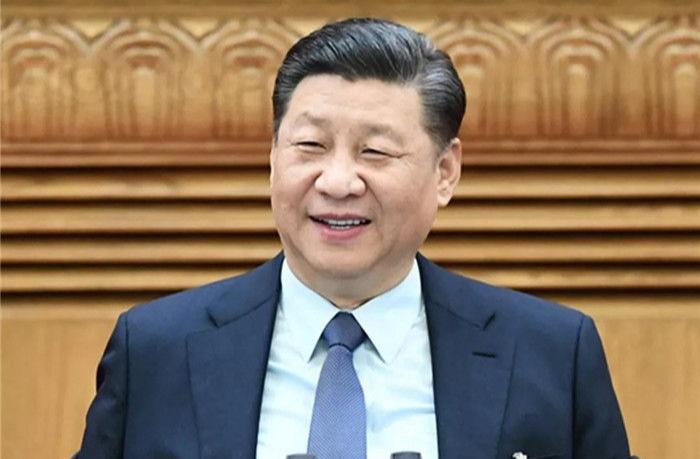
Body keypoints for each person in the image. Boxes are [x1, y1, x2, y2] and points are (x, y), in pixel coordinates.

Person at [76, 18, 632, 459]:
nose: (338, 182)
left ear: (445, 172)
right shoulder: (154, 352)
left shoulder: (552, 355)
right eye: (310, 147)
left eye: (375, 152)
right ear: (272, 159)